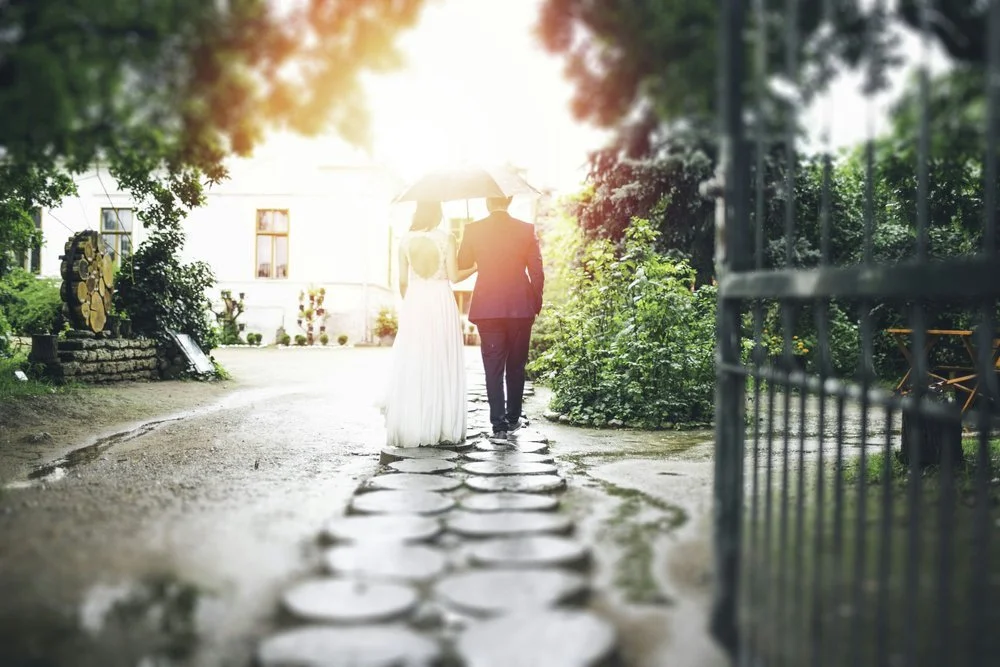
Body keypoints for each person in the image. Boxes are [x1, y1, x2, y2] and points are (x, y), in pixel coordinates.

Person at [382, 201, 477, 447]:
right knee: (440, 358)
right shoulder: (447, 238)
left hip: (415, 302)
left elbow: (402, 281)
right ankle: (441, 425)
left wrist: (412, 303)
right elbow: (454, 277)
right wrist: (476, 266)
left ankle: (415, 425)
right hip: (441, 301)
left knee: (415, 360)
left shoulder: (404, 241)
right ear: (438, 215)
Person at [458, 195, 544, 439]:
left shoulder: (473, 229)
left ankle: (498, 425)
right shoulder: (526, 230)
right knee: (516, 366)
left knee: (492, 368)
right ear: (510, 200)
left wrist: (468, 239)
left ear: (487, 202)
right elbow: (537, 271)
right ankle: (513, 418)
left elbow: (462, 262)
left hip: (488, 308)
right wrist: (534, 305)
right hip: (520, 308)